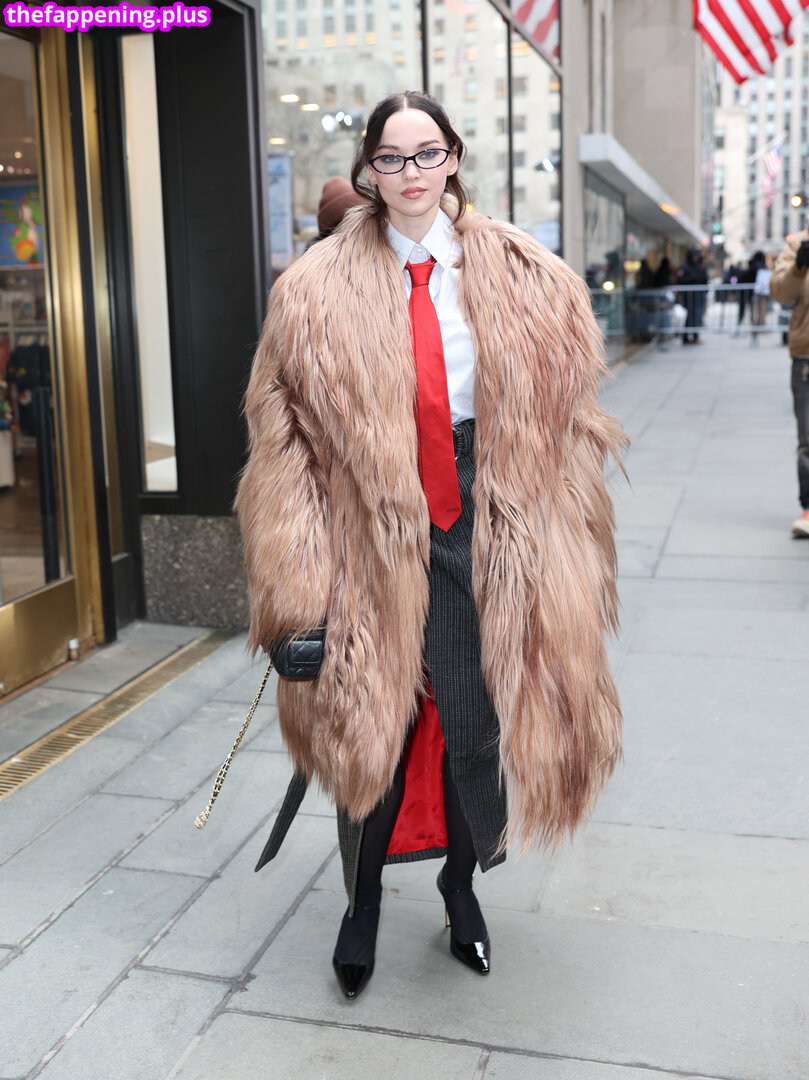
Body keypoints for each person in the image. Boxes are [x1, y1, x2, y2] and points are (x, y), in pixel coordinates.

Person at [235, 91, 625, 1000]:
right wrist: (293, 592)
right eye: (390, 157)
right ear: (369, 170)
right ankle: (362, 901)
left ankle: (459, 890)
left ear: (451, 157)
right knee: (372, 720)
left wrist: (564, 561)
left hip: (484, 524)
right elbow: (282, 452)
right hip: (366, 527)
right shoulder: (312, 291)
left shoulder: (529, 278)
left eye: (425, 154)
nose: (409, 173)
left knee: (470, 722)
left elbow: (568, 434)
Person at [770, 233, 809, 537]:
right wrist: (799, 266)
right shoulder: (798, 244)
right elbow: (779, 292)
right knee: (808, 436)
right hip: (806, 354)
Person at [677, 248, 708, 344]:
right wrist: (692, 279)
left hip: (697, 295)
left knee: (694, 315)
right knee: (691, 315)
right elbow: (680, 280)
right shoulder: (685, 266)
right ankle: (689, 336)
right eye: (694, 256)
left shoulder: (698, 266)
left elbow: (703, 278)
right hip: (688, 296)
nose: (696, 258)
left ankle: (692, 336)